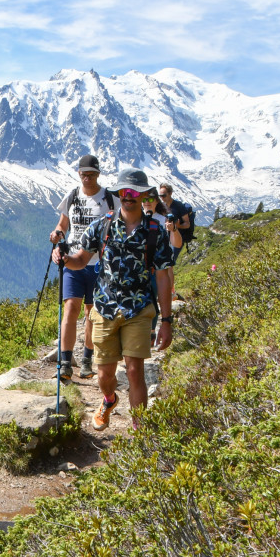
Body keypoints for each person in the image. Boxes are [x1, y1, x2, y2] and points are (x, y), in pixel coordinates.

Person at [61, 169, 173, 431]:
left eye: (134, 192)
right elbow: (81, 260)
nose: (128, 197)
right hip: (105, 307)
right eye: (124, 192)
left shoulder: (156, 232)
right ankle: (109, 400)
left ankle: (140, 430)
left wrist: (166, 320)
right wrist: (65, 259)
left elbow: (164, 278)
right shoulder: (102, 226)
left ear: (145, 195)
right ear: (119, 194)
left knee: (135, 370)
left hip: (139, 308)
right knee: (104, 375)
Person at [49, 155, 115, 380]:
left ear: (98, 174)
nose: (87, 178)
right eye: (83, 174)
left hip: (99, 263)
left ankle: (87, 359)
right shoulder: (73, 196)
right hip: (72, 259)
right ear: (79, 174)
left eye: (91, 174)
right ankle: (66, 361)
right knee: (70, 308)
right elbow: (63, 224)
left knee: (91, 312)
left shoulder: (109, 199)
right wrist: (57, 233)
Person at [141, 191, 183, 309]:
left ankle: (156, 325)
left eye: (150, 200)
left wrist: (173, 229)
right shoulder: (137, 218)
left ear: (156, 201)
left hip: (160, 267)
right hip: (141, 266)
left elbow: (177, 244)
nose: (147, 203)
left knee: (155, 303)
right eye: (144, 200)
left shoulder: (164, 219)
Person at [158, 182, 193, 267]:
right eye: (160, 196)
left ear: (170, 193)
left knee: (170, 261)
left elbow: (187, 223)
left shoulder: (179, 206)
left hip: (177, 238)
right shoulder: (161, 207)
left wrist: (178, 226)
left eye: (164, 195)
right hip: (165, 238)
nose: (162, 198)